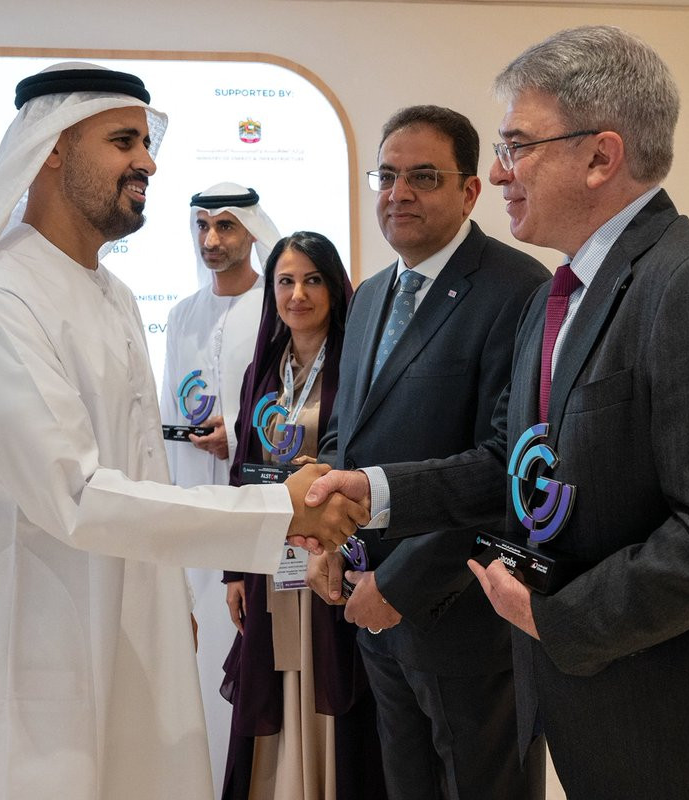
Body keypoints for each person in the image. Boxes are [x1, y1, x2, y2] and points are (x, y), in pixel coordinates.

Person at [307, 26, 689, 799]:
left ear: (600, 157)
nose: (498, 173)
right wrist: (373, 491)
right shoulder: (562, 294)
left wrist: (561, 618)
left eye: (516, 146)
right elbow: (511, 465)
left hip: (688, 728)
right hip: (596, 706)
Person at [0, 63, 366, 800]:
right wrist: (279, 509)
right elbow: (74, 495)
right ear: (50, 146)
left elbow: (139, 468)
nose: (148, 162)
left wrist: (167, 601)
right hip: (29, 647)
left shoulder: (113, 294)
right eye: (122, 141)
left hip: (132, 628)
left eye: (146, 141)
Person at [306, 106, 548, 800]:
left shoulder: (517, 291)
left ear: (469, 191)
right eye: (386, 176)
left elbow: (508, 468)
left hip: (463, 619)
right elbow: (345, 435)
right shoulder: (369, 295)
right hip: (369, 608)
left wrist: (402, 585)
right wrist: (326, 537)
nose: (398, 193)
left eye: (423, 177)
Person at [221, 231, 388, 800]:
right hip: (270, 559)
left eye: (312, 280)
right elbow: (242, 466)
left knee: (329, 678)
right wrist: (235, 571)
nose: (298, 295)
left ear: (335, 288)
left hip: (332, 556)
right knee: (272, 676)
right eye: (286, 281)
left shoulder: (357, 365)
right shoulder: (263, 371)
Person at [161, 182, 281, 793]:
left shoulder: (276, 306)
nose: (212, 239)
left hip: (254, 513)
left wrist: (235, 436)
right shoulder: (181, 314)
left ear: (252, 231)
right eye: (203, 226)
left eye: (226, 226)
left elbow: (289, 407)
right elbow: (166, 410)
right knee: (196, 656)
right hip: (191, 508)